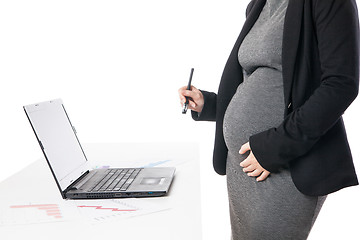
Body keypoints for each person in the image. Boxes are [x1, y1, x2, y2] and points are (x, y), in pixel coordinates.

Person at [178, 0, 359, 239]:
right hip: (243, 166)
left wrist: (274, 148)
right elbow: (255, 79)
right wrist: (209, 104)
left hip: (285, 162)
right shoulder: (260, 4)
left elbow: (341, 85)